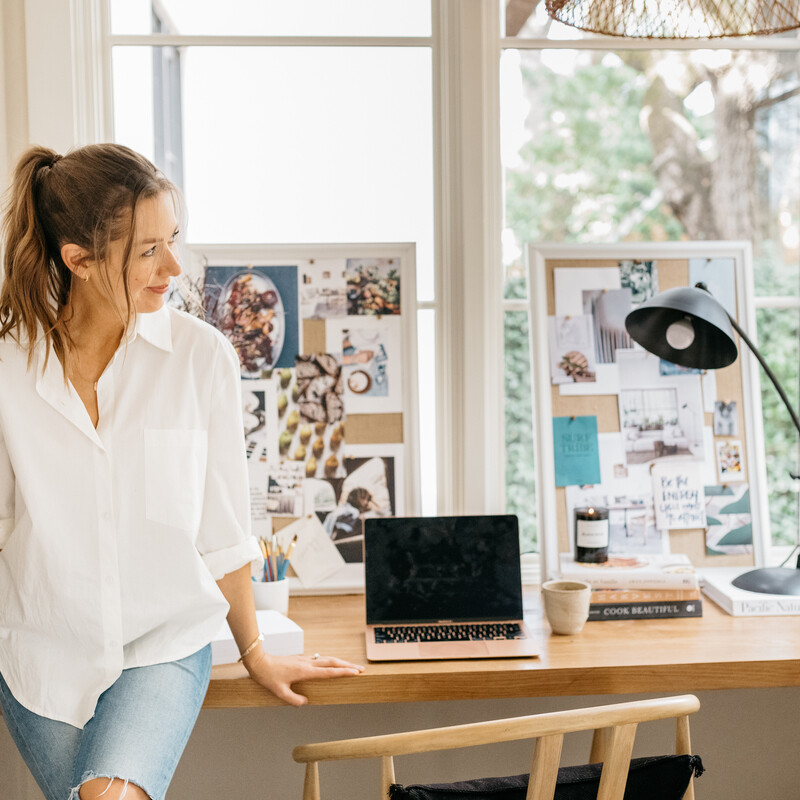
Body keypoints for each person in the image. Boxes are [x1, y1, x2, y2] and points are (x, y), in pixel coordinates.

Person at [0, 143, 364, 800]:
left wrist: (255, 650)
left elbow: (221, 525)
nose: (173, 266)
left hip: (162, 644)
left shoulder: (201, 359)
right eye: (147, 250)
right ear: (78, 259)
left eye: (173, 239)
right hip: (40, 653)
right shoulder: (8, 368)